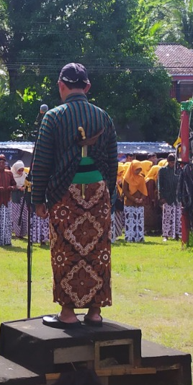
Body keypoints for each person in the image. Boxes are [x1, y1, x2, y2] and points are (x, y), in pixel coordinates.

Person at [30, 62, 118, 329]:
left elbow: (42, 162)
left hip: (63, 194)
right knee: (98, 251)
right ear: (87, 86)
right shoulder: (103, 116)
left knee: (65, 251)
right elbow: (112, 162)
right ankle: (94, 312)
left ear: (61, 85)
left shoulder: (53, 117)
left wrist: (38, 200)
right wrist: (108, 197)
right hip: (98, 191)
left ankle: (67, 312)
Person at [120, 160, 147, 243]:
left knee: (139, 220)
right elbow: (125, 191)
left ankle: (139, 237)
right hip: (129, 202)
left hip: (139, 203)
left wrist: (141, 199)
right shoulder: (126, 178)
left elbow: (144, 190)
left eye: (139, 169)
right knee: (130, 220)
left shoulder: (141, 178)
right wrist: (133, 199)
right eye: (136, 169)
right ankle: (129, 237)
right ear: (132, 168)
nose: (138, 171)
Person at [157, 155, 181, 241]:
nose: (172, 163)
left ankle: (177, 234)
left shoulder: (178, 170)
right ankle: (165, 235)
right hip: (167, 196)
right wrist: (161, 197)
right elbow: (160, 184)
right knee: (167, 217)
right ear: (168, 161)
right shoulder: (163, 170)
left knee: (178, 216)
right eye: (171, 162)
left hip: (177, 196)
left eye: (174, 162)